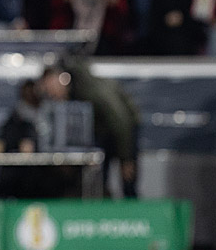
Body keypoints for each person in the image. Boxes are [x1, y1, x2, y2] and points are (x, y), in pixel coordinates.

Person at [38, 57, 141, 198]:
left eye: (51, 90)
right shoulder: (74, 94)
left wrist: (126, 158)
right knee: (98, 180)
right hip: (104, 132)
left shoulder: (90, 89)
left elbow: (121, 120)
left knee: (128, 179)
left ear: (62, 79)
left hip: (124, 128)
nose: (52, 95)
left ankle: (133, 215)